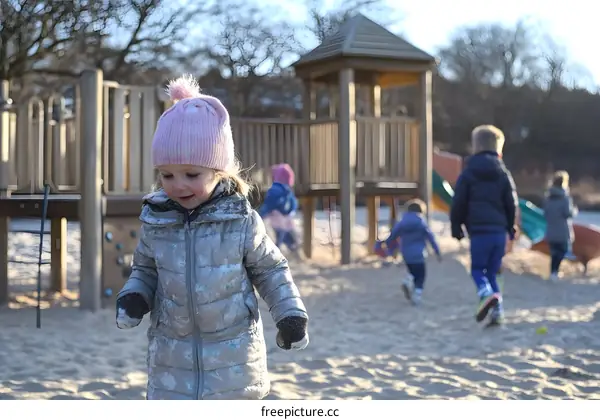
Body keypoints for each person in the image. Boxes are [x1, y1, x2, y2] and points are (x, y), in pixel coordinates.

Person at [114, 74, 309, 400]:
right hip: (171, 362)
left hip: (233, 360)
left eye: (192, 174)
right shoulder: (157, 220)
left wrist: (289, 314)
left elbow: (270, 270)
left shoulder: (240, 220)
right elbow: (145, 268)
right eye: (167, 175)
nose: (178, 185)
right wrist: (135, 296)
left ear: (220, 172)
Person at [450, 125, 518, 326]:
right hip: (499, 233)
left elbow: (459, 202)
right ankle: (498, 311)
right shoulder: (503, 173)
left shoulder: (468, 173)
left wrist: (456, 226)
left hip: (479, 232)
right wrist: (510, 225)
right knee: (493, 271)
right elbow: (511, 202)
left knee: (478, 270)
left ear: (475, 147)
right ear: (500, 150)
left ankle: (486, 294)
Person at [377, 198, 442, 306]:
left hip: (406, 253)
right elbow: (431, 238)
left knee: (412, 270)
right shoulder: (421, 223)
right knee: (421, 275)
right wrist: (437, 252)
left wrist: (387, 245)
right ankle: (417, 294)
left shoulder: (402, 222)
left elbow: (393, 234)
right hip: (419, 254)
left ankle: (408, 280)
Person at [543, 170, 578, 282]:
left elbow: (545, 213)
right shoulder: (565, 198)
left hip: (551, 228)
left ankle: (553, 272)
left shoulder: (548, 197)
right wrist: (575, 211)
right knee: (561, 251)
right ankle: (555, 272)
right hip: (562, 230)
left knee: (554, 252)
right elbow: (568, 213)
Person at [258, 163, 301, 257]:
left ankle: (277, 254)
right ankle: (294, 250)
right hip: (287, 218)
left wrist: (261, 214)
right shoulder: (288, 190)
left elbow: (269, 203)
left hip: (276, 218)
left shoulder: (275, 189)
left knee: (278, 238)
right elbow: (294, 203)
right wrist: (290, 211)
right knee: (287, 237)